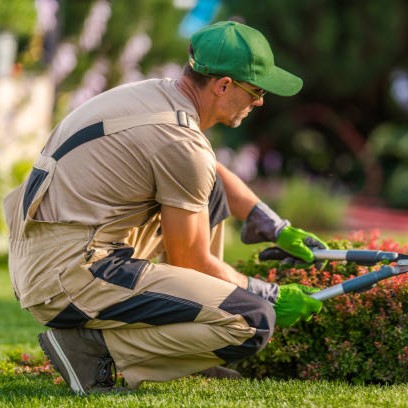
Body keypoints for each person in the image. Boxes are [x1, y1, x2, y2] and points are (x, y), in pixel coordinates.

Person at [3, 20, 326, 394]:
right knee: (252, 321)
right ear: (223, 85)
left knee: (210, 193)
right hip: (68, 274)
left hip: (49, 253)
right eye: (255, 90)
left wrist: (271, 223)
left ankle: (191, 349)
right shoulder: (180, 143)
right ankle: (89, 350)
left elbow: (213, 176)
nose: (260, 101)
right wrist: (266, 293)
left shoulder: (157, 97)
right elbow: (193, 261)